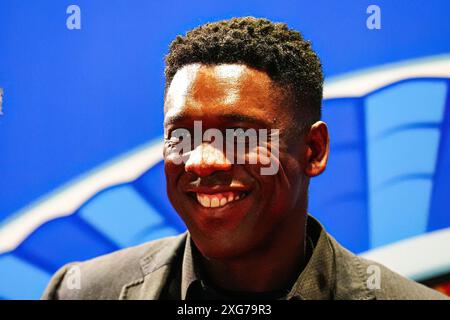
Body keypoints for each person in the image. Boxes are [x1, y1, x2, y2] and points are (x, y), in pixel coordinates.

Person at [42, 16, 447, 300]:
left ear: (314, 150)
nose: (203, 160)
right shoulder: (83, 292)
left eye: (240, 135)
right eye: (181, 134)